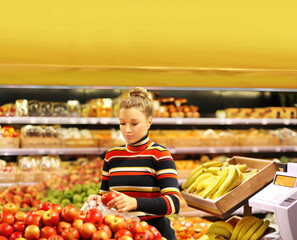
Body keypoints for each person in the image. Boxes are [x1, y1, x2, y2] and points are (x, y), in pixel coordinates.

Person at [87, 87, 180, 239]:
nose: (127, 130)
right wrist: (98, 200)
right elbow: (105, 196)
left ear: (149, 122)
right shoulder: (112, 156)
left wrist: (135, 203)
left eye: (134, 124)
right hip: (120, 233)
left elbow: (173, 203)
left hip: (154, 233)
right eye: (122, 123)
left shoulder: (159, 155)